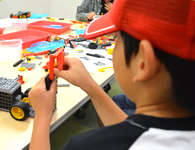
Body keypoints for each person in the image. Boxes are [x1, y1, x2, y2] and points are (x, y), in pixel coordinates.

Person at [29, 0, 195, 149]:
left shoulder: (89, 146)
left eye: (116, 39)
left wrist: (43, 117)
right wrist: (89, 84)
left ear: (143, 63)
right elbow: (135, 130)